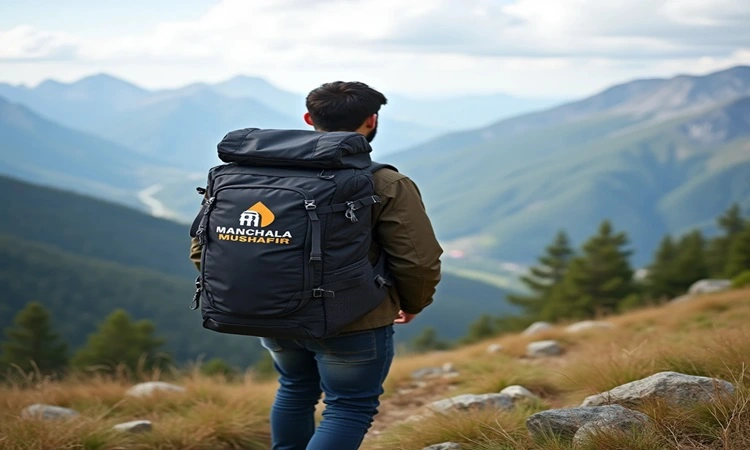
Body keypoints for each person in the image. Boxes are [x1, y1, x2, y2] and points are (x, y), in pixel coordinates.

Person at [189, 81, 443, 450]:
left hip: (273, 309)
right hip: (353, 317)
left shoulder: (250, 174)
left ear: (309, 118)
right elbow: (417, 259)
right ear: (371, 121)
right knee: (349, 407)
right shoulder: (384, 181)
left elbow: (203, 247)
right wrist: (414, 302)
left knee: (294, 390)